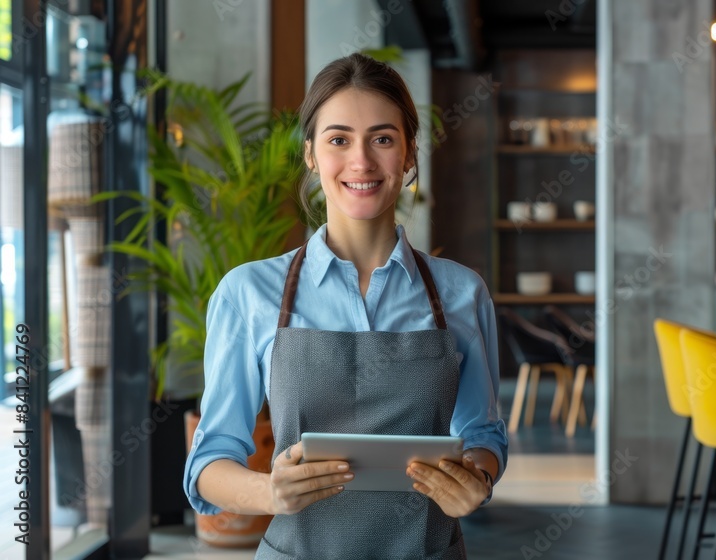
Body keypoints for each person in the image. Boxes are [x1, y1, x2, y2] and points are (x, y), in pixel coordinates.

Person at [183, 52, 508, 559]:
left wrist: (479, 477)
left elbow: (483, 433)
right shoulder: (247, 292)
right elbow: (208, 463)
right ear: (311, 153)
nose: (361, 161)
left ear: (408, 153)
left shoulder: (463, 293)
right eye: (339, 139)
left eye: (382, 138)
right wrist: (270, 491)